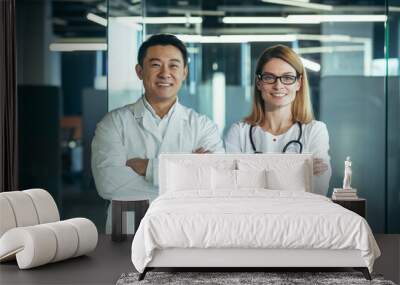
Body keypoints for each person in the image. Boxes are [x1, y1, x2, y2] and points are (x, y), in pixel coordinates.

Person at [92, 34, 224, 232]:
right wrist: (187, 172)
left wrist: (149, 168)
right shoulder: (113, 123)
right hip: (129, 231)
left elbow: (214, 183)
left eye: (173, 65)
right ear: (139, 71)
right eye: (155, 65)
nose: (165, 73)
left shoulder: (203, 126)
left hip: (187, 230)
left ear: (185, 72)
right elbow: (108, 184)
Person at [225, 44, 331, 196]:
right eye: (269, 77)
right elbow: (232, 189)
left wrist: (253, 174)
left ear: (299, 83)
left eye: (287, 78)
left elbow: (318, 190)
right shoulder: (239, 132)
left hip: (299, 218)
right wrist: (298, 172)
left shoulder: (315, 131)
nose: (278, 85)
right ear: (259, 83)